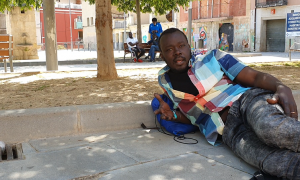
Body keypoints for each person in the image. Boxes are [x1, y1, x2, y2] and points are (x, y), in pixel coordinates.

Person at [153, 28, 300, 179]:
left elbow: (254, 77)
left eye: (181, 45)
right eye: (169, 49)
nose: (177, 51)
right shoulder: (164, 81)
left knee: (271, 129)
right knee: (272, 161)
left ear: (189, 47)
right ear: (162, 56)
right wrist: (174, 115)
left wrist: (280, 86)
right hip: (228, 131)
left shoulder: (213, 58)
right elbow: (194, 116)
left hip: (245, 102)